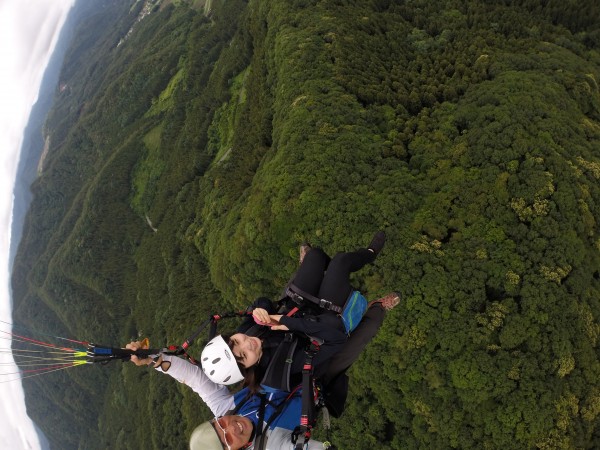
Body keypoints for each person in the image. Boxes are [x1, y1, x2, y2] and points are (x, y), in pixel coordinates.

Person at [127, 296, 400, 450]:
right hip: (317, 381)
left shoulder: (225, 408)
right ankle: (377, 307)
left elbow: (195, 379)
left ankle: (303, 286)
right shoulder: (269, 445)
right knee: (359, 338)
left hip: (285, 363)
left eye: (220, 425)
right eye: (228, 439)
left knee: (267, 323)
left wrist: (153, 358)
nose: (231, 427)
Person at [209, 232, 394, 391]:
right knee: (340, 262)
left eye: (235, 342)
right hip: (323, 323)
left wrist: (262, 310)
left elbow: (262, 301)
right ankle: (368, 257)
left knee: (315, 256)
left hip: (300, 307)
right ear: (248, 370)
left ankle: (329, 275)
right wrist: (286, 321)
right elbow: (336, 340)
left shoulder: (248, 333)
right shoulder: (282, 365)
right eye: (243, 356)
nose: (246, 345)